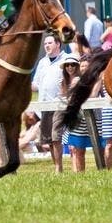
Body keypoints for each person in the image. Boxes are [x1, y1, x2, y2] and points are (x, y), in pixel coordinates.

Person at [31, 33, 68, 172]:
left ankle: (59, 168)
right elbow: (36, 84)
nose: (46, 46)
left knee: (56, 137)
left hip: (59, 105)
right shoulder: (42, 62)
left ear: (58, 44)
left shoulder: (66, 59)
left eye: (50, 43)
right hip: (44, 106)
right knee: (48, 139)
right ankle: (56, 167)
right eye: (45, 43)